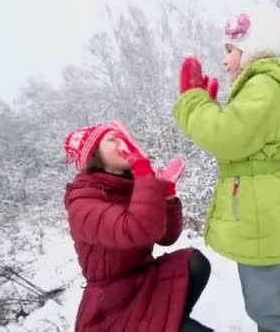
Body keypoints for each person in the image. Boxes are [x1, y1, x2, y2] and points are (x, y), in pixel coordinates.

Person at [173, 5, 280, 332]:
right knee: (279, 304)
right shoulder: (265, 88)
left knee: (277, 310)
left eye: (230, 50)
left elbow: (227, 138)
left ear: (253, 49)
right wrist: (215, 108)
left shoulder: (264, 85)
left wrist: (195, 101)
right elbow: (242, 139)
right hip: (264, 218)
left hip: (262, 220)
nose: (224, 61)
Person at [63, 121, 213, 331]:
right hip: (112, 304)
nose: (124, 143)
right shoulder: (82, 201)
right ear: (94, 156)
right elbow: (137, 230)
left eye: (124, 137)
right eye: (112, 139)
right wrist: (143, 172)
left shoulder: (131, 186)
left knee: (194, 262)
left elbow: (166, 237)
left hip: (144, 279)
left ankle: (172, 320)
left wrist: (167, 197)